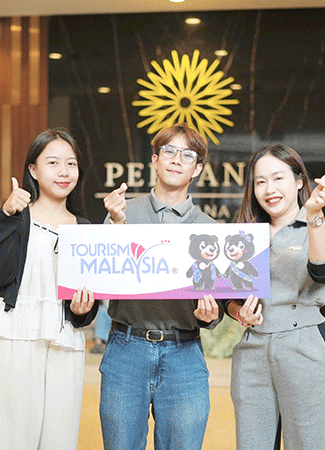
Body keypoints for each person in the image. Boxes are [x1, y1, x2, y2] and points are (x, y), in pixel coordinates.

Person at [101, 122, 224, 450]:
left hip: (184, 353)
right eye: (169, 151)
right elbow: (105, 276)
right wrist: (115, 225)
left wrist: (210, 315)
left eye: (187, 155)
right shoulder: (122, 212)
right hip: (126, 348)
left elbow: (217, 307)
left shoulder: (211, 230)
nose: (176, 159)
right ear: (155, 160)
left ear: (197, 169)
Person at [0, 128, 99, 450]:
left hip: (65, 344)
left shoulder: (85, 229)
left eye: (71, 164)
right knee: (11, 438)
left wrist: (82, 310)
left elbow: (89, 306)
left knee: (59, 439)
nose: (64, 172)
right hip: (15, 337)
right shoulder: (17, 218)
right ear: (33, 169)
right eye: (53, 162)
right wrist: (6, 215)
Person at [227, 144, 325, 450]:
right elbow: (227, 296)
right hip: (252, 349)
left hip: (304, 345)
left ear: (299, 181)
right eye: (260, 181)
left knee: (308, 443)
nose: (269, 189)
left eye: (278, 178)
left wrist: (314, 215)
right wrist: (238, 311)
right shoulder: (242, 235)